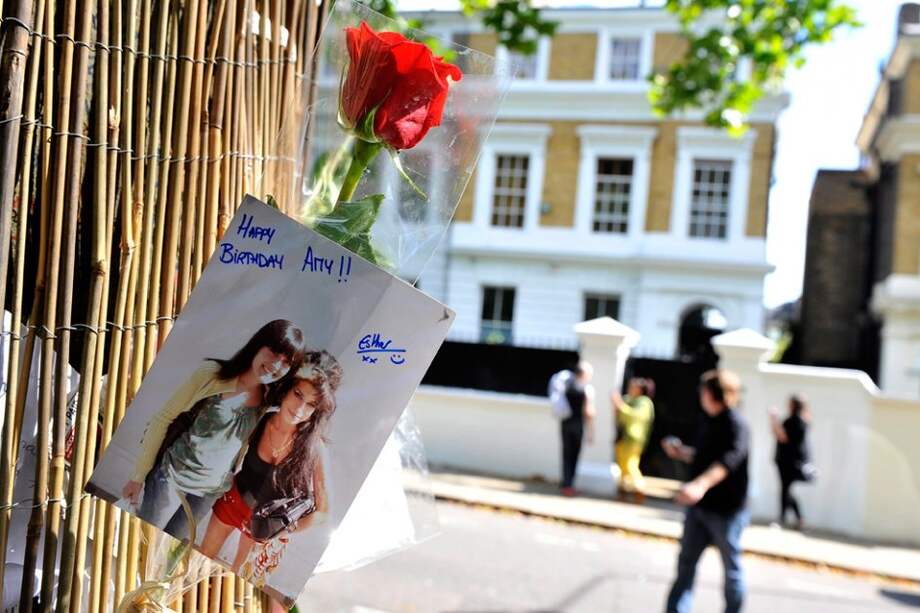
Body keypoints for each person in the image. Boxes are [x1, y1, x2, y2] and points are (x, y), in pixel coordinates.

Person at [121, 319, 307, 540]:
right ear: (259, 343)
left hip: (209, 492)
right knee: (142, 540)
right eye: (274, 352)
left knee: (169, 553)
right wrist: (138, 476)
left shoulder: (268, 402)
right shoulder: (212, 374)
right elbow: (163, 418)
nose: (276, 365)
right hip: (172, 478)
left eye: (286, 362)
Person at [201, 351, 342, 578]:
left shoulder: (315, 449)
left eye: (310, 405)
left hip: (269, 526)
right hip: (235, 500)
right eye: (298, 394)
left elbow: (323, 511)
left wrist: (285, 528)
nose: (299, 409)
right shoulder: (261, 417)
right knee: (202, 558)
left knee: (239, 581)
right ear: (287, 389)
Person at [662, 369, 749, 613]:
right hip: (699, 509)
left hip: (726, 511)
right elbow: (704, 457)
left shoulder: (737, 425)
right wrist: (682, 453)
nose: (700, 395)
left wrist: (700, 485)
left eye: (703, 390)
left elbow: (727, 462)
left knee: (731, 570)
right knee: (685, 565)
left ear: (712, 393)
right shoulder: (707, 421)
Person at [770, 393, 812, 529]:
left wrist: (774, 419)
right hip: (790, 461)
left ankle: (782, 519)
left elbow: (782, 437)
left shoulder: (796, 420)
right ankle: (800, 519)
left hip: (789, 462)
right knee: (786, 490)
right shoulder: (801, 420)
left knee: (785, 490)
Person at [611, 377, 655, 503]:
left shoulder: (644, 402)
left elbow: (635, 416)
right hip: (622, 437)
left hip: (634, 439)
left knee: (630, 464)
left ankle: (640, 489)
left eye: (633, 387)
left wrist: (619, 405)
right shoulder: (629, 399)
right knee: (622, 465)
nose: (630, 389)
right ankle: (623, 490)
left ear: (640, 389)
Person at [559, 361, 595, 497]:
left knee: (566, 454)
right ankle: (569, 485)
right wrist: (591, 432)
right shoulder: (587, 390)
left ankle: (566, 483)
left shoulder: (566, 386)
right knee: (573, 456)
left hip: (565, 424)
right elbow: (589, 412)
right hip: (577, 425)